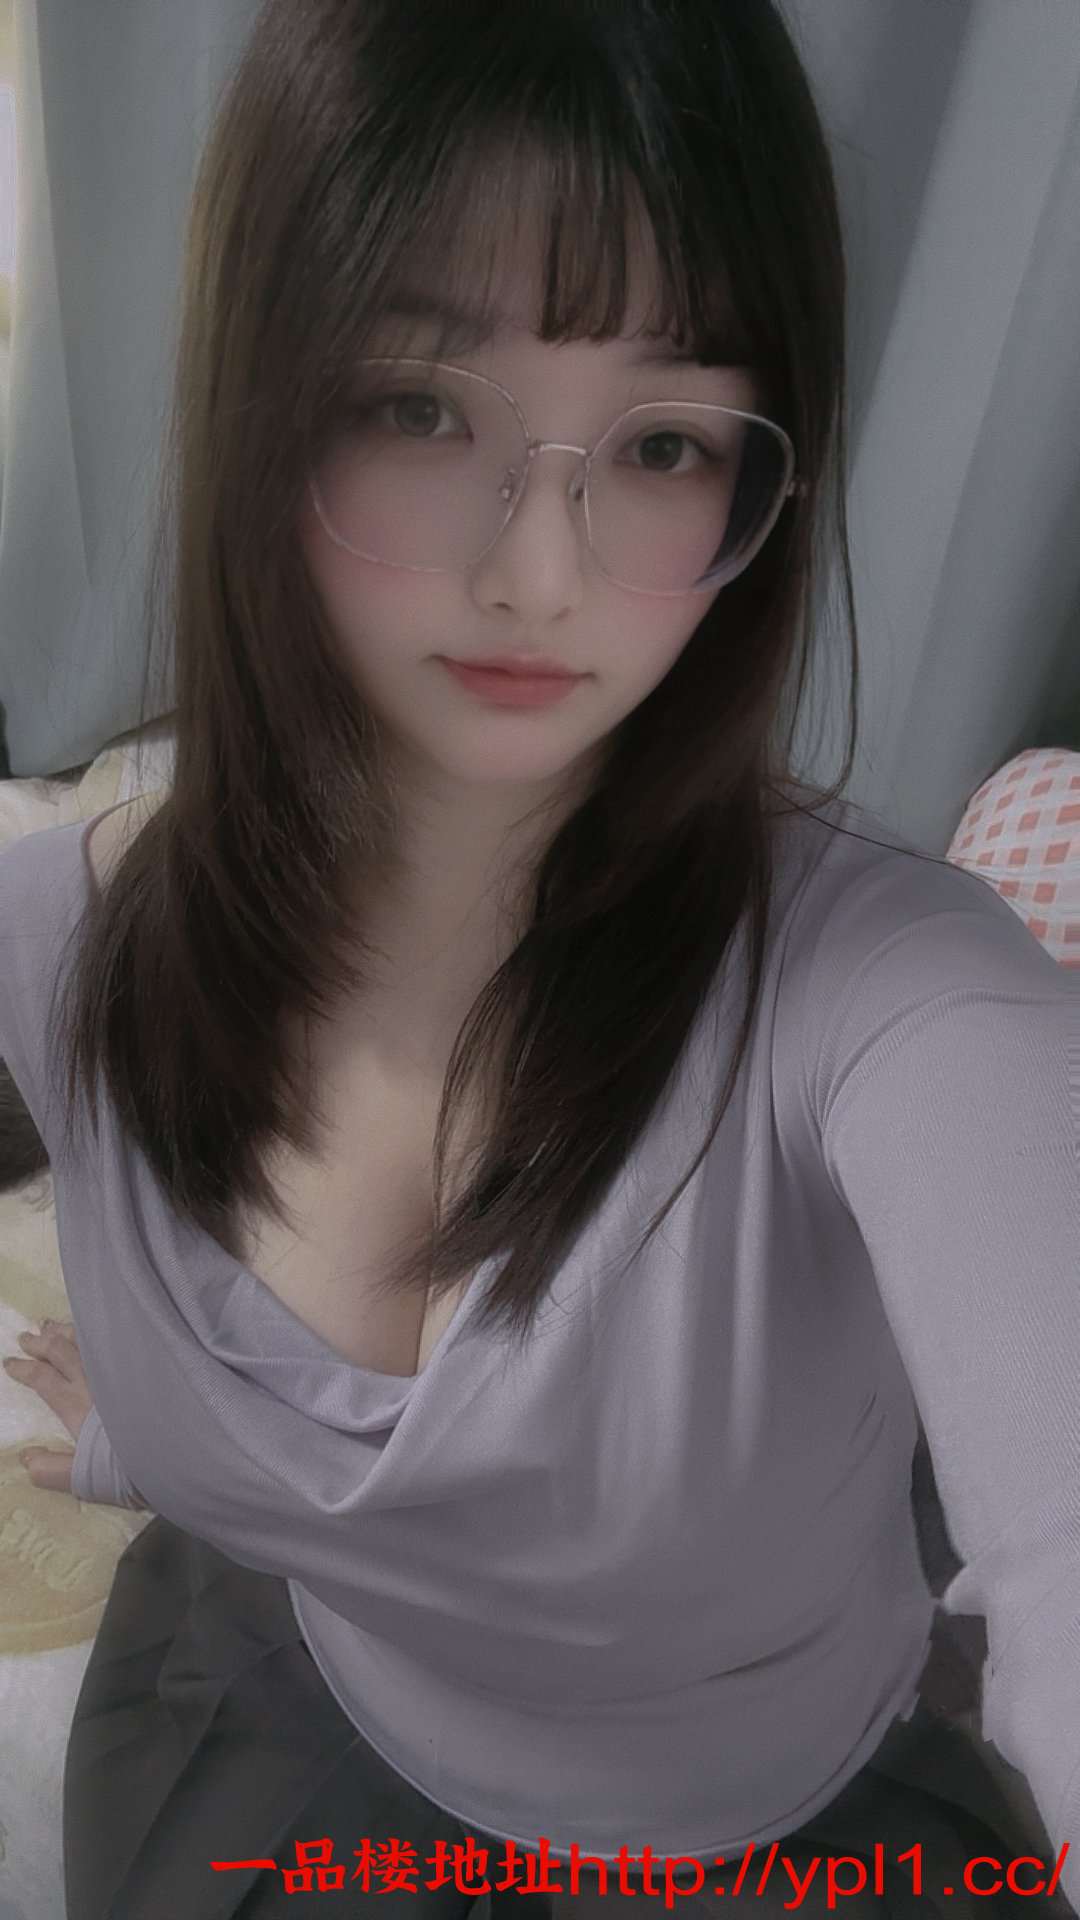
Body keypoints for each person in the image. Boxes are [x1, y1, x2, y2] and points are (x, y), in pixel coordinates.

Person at [0, 1, 1075, 1916]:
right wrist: (160, 1431)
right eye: (423, 408)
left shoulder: (894, 998)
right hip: (283, 1726)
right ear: (263, 400)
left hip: (780, 1834)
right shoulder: (63, 940)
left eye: (661, 442)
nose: (543, 574)